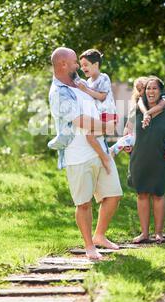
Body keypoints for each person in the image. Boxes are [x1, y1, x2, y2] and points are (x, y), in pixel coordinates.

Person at [48, 47, 123, 260]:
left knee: (114, 195)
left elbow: (100, 101)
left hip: (100, 150)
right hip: (78, 155)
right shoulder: (59, 93)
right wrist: (108, 128)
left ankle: (100, 235)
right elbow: (80, 121)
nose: (78, 66)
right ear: (63, 64)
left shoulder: (81, 83)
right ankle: (89, 246)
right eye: (74, 62)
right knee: (84, 203)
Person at [126, 76, 165, 244]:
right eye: (148, 88)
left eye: (154, 88)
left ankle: (159, 233)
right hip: (139, 158)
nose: (151, 91)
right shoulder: (137, 110)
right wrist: (126, 143)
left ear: (161, 91)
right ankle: (144, 233)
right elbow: (128, 129)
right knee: (141, 194)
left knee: (158, 194)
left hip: (159, 159)